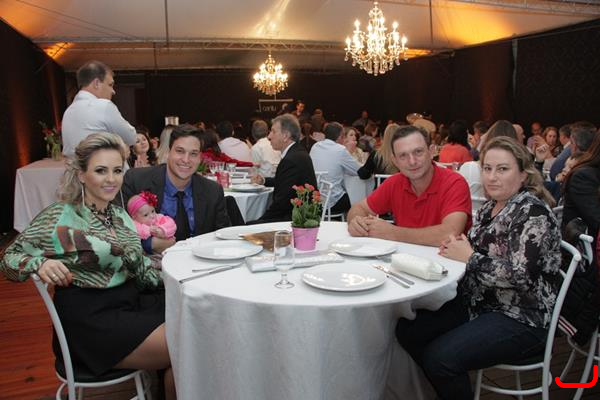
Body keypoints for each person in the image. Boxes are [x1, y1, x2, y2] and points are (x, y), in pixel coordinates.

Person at [1, 133, 175, 399]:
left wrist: (173, 277)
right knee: (186, 346)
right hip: (91, 320)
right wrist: (39, 263)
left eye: (117, 170)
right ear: (81, 175)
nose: (111, 179)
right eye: (101, 170)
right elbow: (9, 259)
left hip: (130, 302)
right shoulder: (61, 216)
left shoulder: (119, 215)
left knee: (191, 321)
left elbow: (140, 271)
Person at [396, 136, 560, 400]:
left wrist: (470, 257)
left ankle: (447, 379)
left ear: (523, 175)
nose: (492, 177)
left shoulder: (532, 213)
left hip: (523, 317)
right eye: (487, 168)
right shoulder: (490, 207)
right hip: (481, 303)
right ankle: (445, 387)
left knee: (440, 358)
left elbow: (522, 277)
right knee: (408, 330)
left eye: (502, 169)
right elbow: (477, 251)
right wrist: (457, 247)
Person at [348, 124, 472, 246]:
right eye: (403, 156)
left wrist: (391, 232)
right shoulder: (395, 183)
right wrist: (356, 222)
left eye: (418, 152)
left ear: (431, 151)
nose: (412, 161)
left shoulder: (454, 183)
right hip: (404, 257)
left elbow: (450, 233)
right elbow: (359, 208)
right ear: (395, 161)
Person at [122, 124, 231, 254]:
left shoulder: (212, 191)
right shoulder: (136, 180)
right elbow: (118, 231)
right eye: (180, 151)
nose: (186, 160)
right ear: (169, 152)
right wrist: (149, 244)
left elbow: (223, 238)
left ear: (200, 158)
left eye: (193, 154)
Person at [250, 114, 317, 223]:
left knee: (244, 224)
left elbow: (281, 204)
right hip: (296, 214)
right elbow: (286, 181)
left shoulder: (291, 159)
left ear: (285, 136)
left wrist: (257, 222)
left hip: (293, 220)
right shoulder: (296, 152)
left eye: (273, 131)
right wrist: (264, 180)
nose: (269, 136)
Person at [62, 60, 136, 157]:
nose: (113, 91)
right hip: (104, 165)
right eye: (110, 85)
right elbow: (131, 137)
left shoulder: (68, 112)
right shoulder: (103, 106)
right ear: (96, 83)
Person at [309, 122, 361, 215]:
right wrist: (349, 151)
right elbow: (358, 171)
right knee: (358, 199)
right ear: (340, 136)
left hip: (315, 198)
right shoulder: (340, 149)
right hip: (332, 201)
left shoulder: (315, 146)